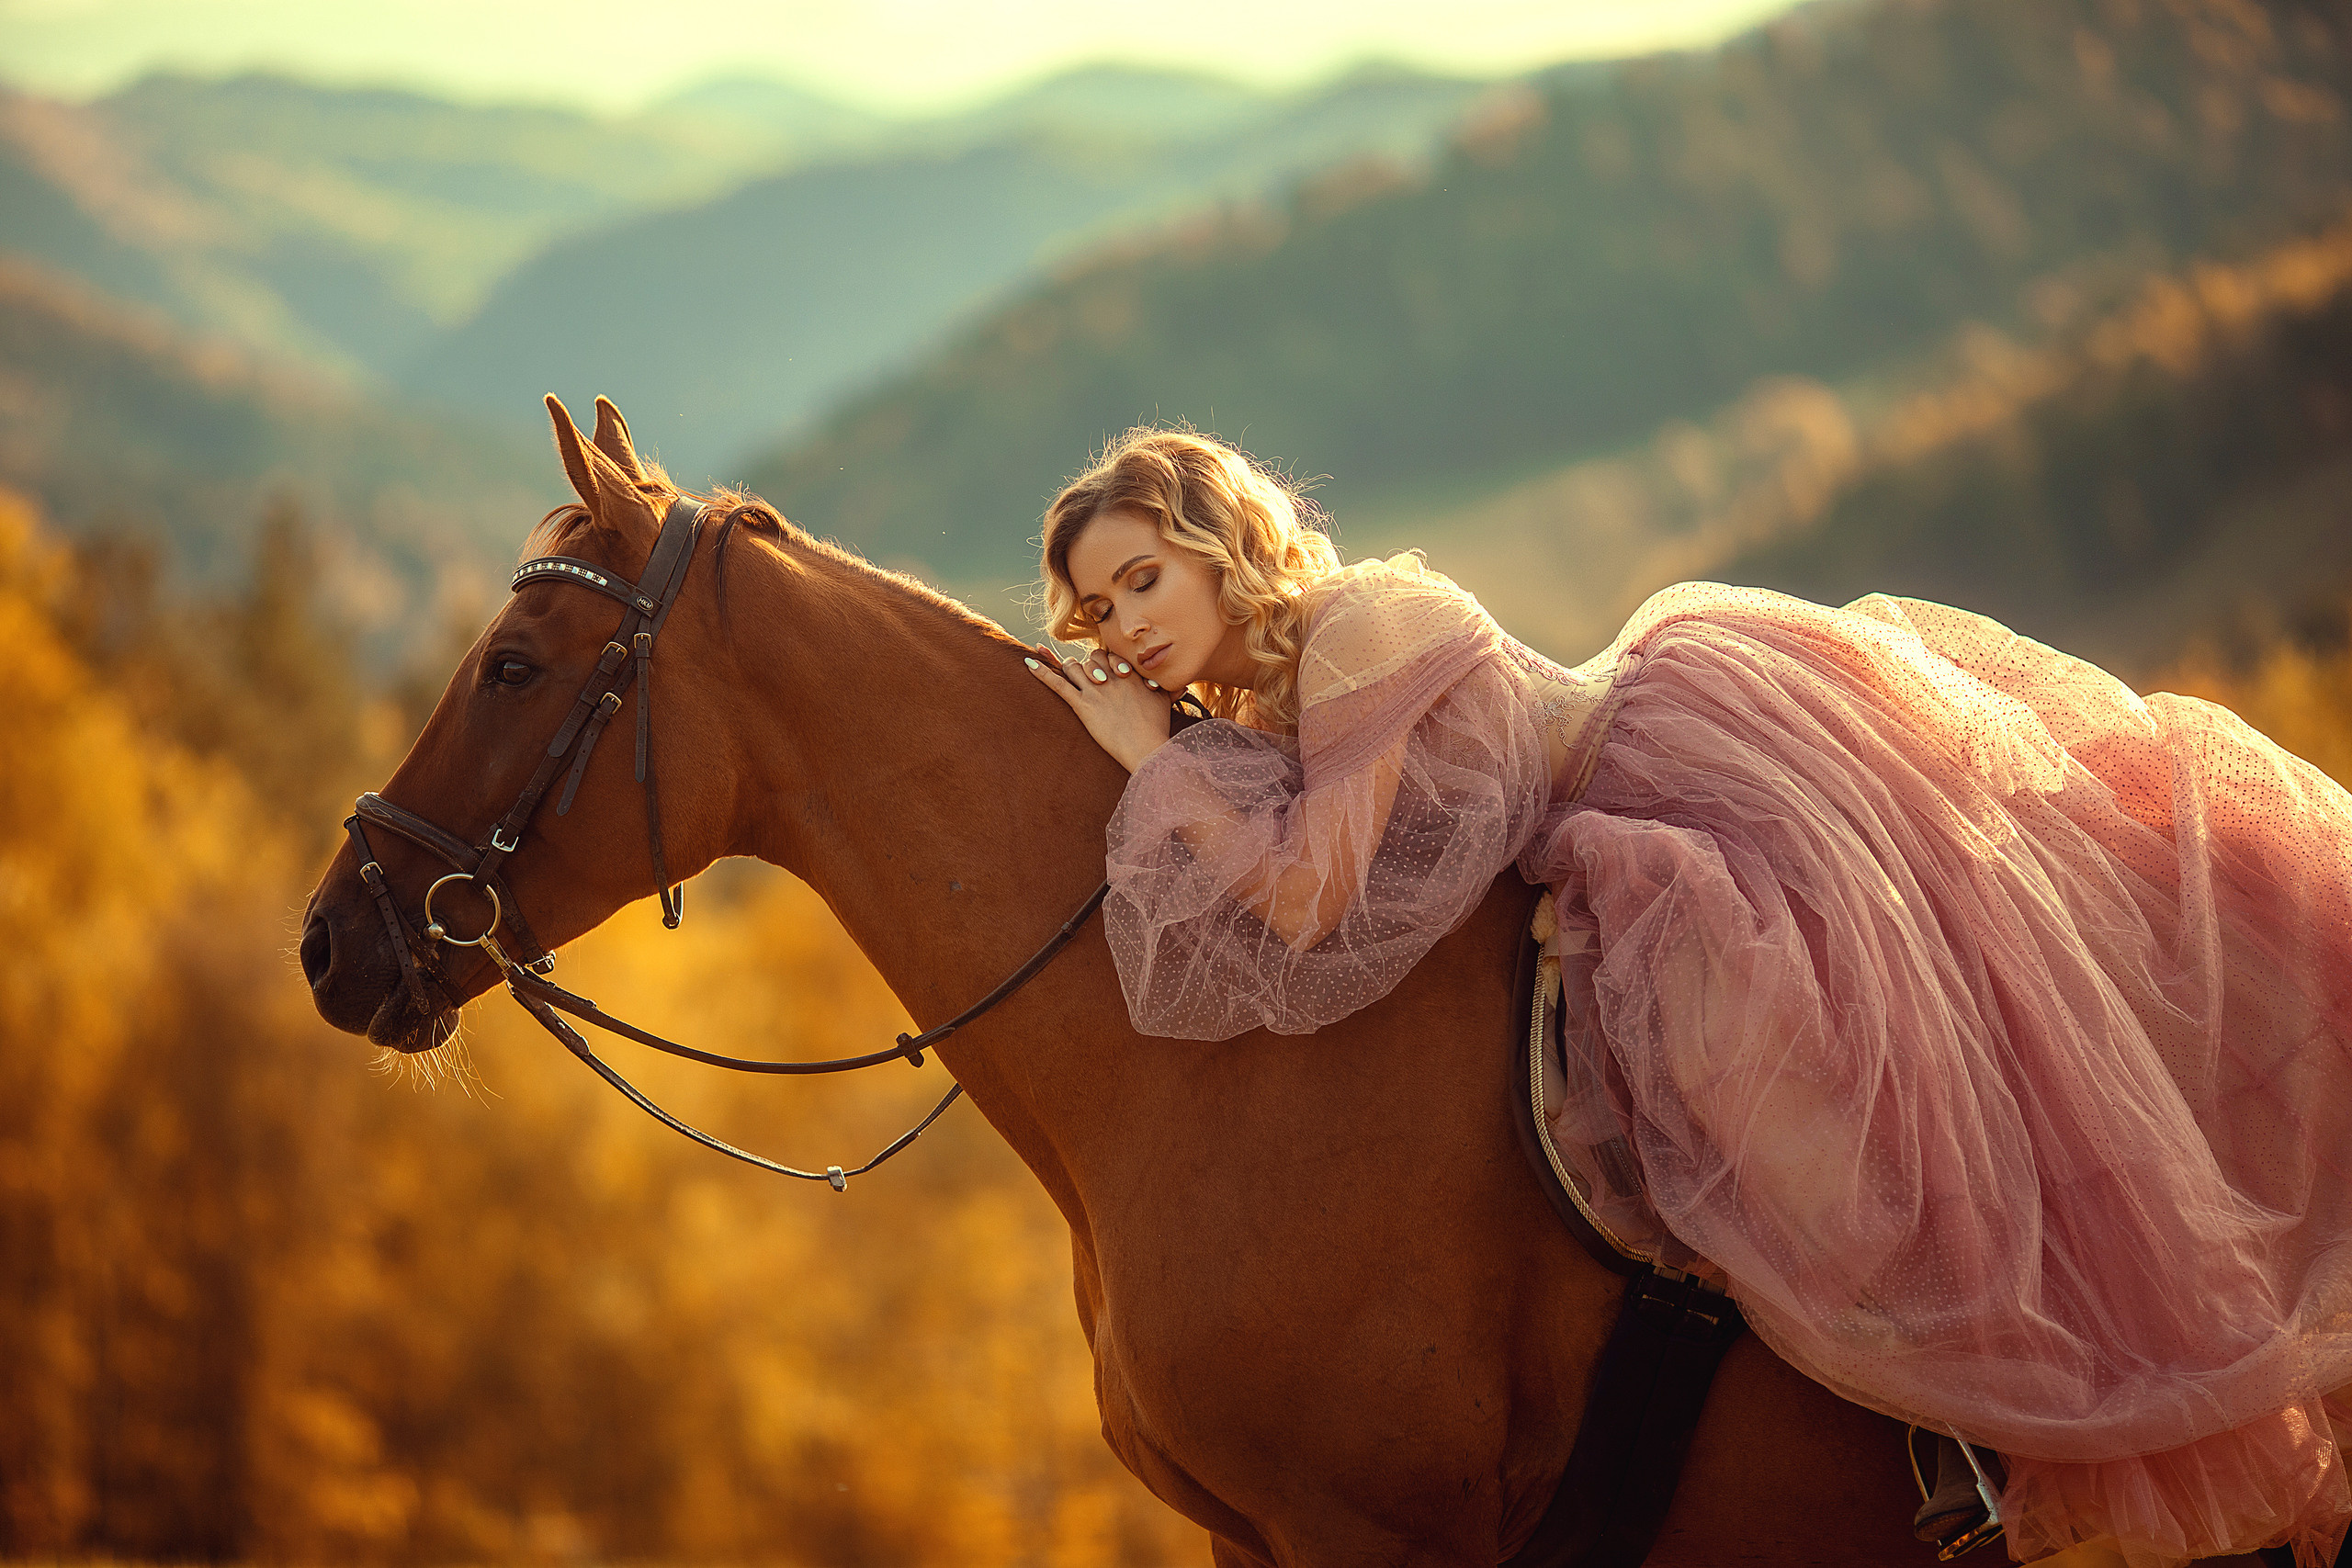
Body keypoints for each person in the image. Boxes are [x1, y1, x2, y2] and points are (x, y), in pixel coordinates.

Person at [1023, 426, 2352, 1568]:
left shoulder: (1357, 627)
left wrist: (1157, 769)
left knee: (1762, 1052)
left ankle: (1971, 1419)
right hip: (1580, 852)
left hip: (1678, 779)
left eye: (1145, 577)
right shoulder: (1257, 704)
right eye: (1101, 610)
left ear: (1217, 542)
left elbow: (1310, 897)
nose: (1131, 624)